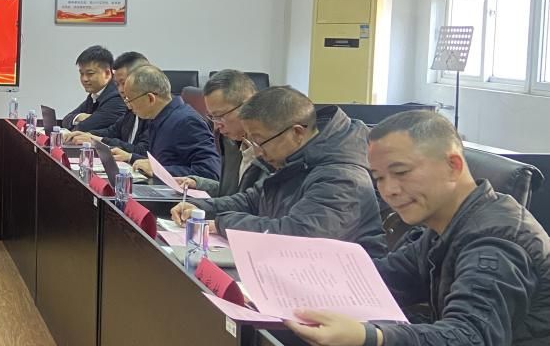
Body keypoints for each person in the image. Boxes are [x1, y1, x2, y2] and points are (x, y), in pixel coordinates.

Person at [286, 111, 550, 346]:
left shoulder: (495, 241)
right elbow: (381, 281)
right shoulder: (445, 226)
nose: (389, 190)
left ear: (453, 166)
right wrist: (292, 283)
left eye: (401, 172)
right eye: (379, 178)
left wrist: (369, 337)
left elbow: (473, 342)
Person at [171, 86, 385, 257]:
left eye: (260, 141)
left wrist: (221, 223)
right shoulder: (292, 158)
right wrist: (202, 208)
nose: (257, 151)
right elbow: (253, 200)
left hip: (338, 282)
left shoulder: (342, 175)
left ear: (297, 133)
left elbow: (297, 235)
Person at [119, 63, 220, 181]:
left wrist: (159, 170)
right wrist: (131, 157)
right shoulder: (158, 117)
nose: (129, 106)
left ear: (150, 98)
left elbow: (210, 172)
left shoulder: (187, 122)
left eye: (130, 100)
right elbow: (165, 160)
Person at [176, 69, 267, 197]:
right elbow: (233, 192)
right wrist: (199, 183)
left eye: (220, 116)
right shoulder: (230, 141)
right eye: (212, 117)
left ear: (247, 105)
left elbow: (251, 201)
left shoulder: (272, 148)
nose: (216, 126)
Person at [69, 50, 147, 150]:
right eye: (117, 84)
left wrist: (96, 139)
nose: (120, 90)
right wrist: (88, 136)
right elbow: (111, 131)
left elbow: (143, 150)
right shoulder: (130, 110)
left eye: (124, 83)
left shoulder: (153, 114)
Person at [61, 45, 127, 134]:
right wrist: (80, 117)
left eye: (90, 74)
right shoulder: (94, 95)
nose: (84, 79)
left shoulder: (117, 97)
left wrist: (82, 121)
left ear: (107, 73)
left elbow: (83, 128)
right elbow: (65, 120)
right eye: (81, 74)